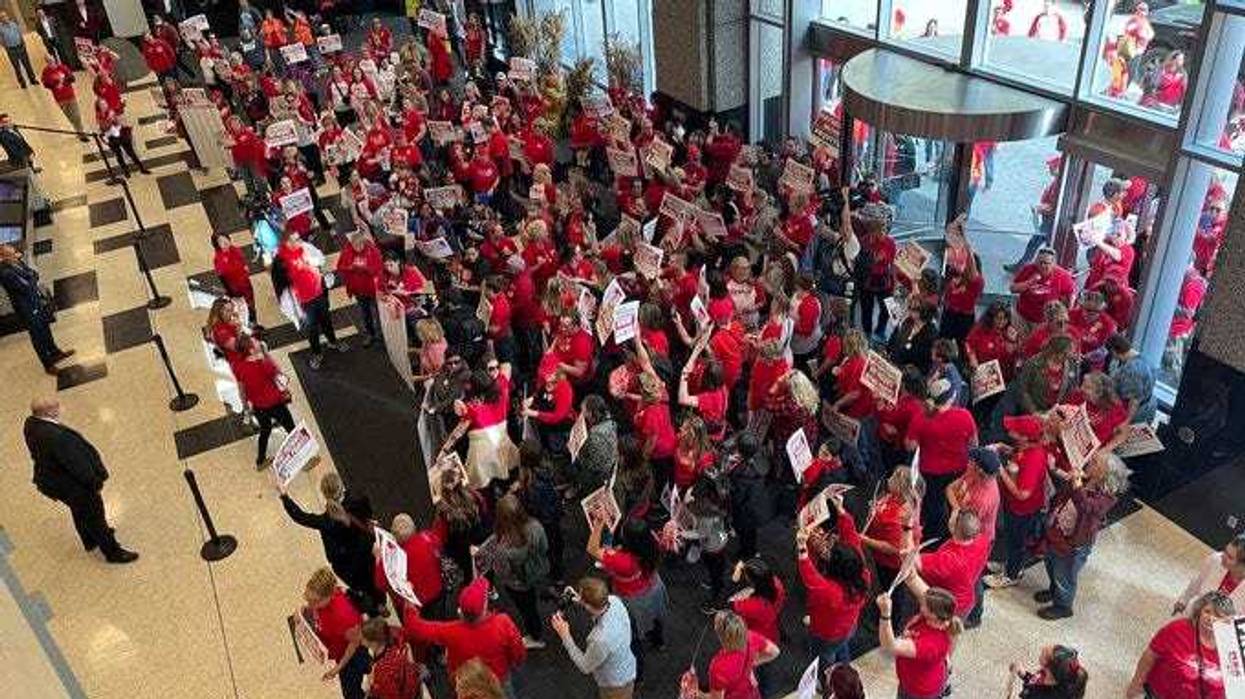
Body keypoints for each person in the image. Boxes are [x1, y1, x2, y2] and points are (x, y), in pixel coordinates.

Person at [22, 397, 137, 563]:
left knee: (78, 509)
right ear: (48, 412)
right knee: (95, 515)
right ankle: (113, 552)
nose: (60, 408)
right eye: (56, 406)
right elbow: (77, 465)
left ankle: (89, 540)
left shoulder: (31, 424)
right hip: (73, 485)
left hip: (54, 481)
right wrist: (95, 482)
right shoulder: (57, 437)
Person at [1036, 451, 1130, 620]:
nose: (1089, 463)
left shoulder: (1106, 498)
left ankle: (1063, 606)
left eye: (1094, 463)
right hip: (1058, 532)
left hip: (1074, 544)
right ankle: (1054, 591)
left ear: (1104, 473)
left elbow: (1086, 507)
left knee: (1064, 575)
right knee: (1051, 563)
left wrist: (1077, 485)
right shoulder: (1086, 480)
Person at [403, 577, 528, 693]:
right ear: (484, 607)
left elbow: (415, 628)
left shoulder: (451, 631)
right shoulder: (502, 623)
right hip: (497, 678)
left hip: (466, 683)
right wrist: (514, 663)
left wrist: (408, 600)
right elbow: (518, 651)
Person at [281, 473, 382, 614]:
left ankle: (374, 610)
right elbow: (368, 515)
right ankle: (381, 601)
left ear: (324, 494)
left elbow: (301, 517)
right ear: (341, 486)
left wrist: (285, 496)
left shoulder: (326, 521)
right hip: (366, 552)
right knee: (374, 579)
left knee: (362, 588)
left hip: (346, 566)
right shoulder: (359, 499)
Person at [797, 491, 871, 669]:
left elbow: (810, 578)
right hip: (848, 625)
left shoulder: (830, 593)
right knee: (842, 646)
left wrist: (802, 547)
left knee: (826, 657)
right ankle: (844, 665)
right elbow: (852, 537)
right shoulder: (863, 574)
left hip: (826, 633)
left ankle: (829, 678)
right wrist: (841, 510)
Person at [1125, 591, 1234, 698]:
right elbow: (1150, 655)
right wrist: (1136, 685)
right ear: (1199, 611)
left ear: (1227, 622)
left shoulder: (1231, 648)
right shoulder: (1177, 629)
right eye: (1207, 611)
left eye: (1218, 616)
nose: (1210, 618)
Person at [987, 415, 1051, 589]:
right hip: (1013, 505)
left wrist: (1000, 470)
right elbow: (1017, 454)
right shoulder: (1026, 446)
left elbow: (1023, 494)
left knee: (1016, 542)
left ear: (1024, 437)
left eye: (1015, 430)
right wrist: (1004, 448)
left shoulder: (1034, 459)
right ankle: (1009, 564)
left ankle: (1012, 574)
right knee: (1011, 537)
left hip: (1022, 509)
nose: (1010, 431)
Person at [587, 517, 669, 651]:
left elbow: (592, 549)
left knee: (634, 626)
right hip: (654, 587)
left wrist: (598, 524)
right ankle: (659, 642)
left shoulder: (623, 561)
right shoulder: (652, 542)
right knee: (656, 618)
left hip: (634, 599)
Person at [550, 577, 637, 699]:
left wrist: (565, 636)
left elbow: (585, 666)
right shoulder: (614, 601)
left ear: (588, 606)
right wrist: (578, 599)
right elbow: (595, 606)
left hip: (615, 684)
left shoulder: (600, 639)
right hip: (627, 667)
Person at [876, 587, 961, 699]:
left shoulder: (930, 644)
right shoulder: (940, 621)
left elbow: (889, 645)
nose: (920, 602)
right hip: (926, 676)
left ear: (933, 614)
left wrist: (885, 614)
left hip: (918, 689)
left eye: (924, 604)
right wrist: (910, 574)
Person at [0, 244, 73, 373]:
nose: (16, 253)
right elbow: (26, 287)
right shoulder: (6, 273)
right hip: (27, 308)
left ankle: (55, 352)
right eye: (11, 253)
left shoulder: (17, 261)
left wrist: (30, 277)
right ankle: (47, 364)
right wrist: (31, 278)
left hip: (35, 301)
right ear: (4, 257)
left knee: (45, 327)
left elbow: (34, 274)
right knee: (37, 335)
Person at [490, 494, 550, 649]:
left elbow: (502, 573)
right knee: (531, 606)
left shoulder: (503, 548)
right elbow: (545, 547)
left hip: (518, 584)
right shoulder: (536, 526)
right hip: (537, 570)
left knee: (527, 610)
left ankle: (535, 637)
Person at [302, 567, 371, 699]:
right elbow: (314, 608)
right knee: (366, 664)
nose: (310, 605)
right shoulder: (322, 602)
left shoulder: (344, 617)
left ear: (329, 596)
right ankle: (370, 666)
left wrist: (338, 668)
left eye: (314, 601)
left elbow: (354, 644)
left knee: (351, 691)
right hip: (340, 645)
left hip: (351, 656)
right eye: (307, 599)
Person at [679, 610, 780, 699]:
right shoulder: (750, 637)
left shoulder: (718, 666)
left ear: (721, 636)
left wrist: (696, 693)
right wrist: (749, 666)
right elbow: (774, 652)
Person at [233, 336, 295, 469]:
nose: (257, 342)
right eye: (254, 342)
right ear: (251, 350)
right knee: (291, 429)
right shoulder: (263, 363)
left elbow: (241, 390)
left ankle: (260, 460)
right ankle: (301, 457)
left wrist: (246, 408)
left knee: (265, 430)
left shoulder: (237, 366)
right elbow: (279, 374)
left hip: (258, 407)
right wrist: (266, 353)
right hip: (276, 404)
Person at [1173, 533, 1245, 617]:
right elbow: (1197, 581)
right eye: (1225, 551)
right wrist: (1183, 601)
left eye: (1230, 557)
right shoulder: (1215, 560)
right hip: (1194, 615)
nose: (1223, 556)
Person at [359, 618, 426, 699]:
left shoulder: (383, 670)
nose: (360, 640)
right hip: (412, 686)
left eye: (363, 638)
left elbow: (390, 695)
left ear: (373, 642)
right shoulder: (394, 636)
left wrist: (372, 686)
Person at [1009, 248, 1075, 330]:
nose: (1042, 266)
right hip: (1022, 317)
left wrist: (1066, 314)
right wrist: (1030, 282)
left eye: (1046, 263)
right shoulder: (1028, 269)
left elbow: (1071, 295)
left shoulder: (1063, 276)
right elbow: (1013, 289)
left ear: (1053, 264)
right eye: (1040, 262)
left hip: (1045, 322)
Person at [1106, 334, 1156, 424]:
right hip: (1145, 408)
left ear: (1113, 351)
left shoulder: (1131, 370)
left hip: (1133, 414)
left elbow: (1134, 400)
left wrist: (1126, 421)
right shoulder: (1145, 360)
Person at [1009, 645, 1089, 699]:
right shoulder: (1049, 679)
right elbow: (1035, 680)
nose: (1040, 669)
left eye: (1043, 667)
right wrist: (1024, 674)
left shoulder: (1041, 695)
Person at [40, 54, 86, 139]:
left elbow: (72, 78)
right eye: (48, 60)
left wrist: (63, 81)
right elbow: (46, 84)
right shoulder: (45, 71)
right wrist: (55, 85)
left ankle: (82, 133)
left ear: (54, 59)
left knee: (76, 115)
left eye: (52, 60)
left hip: (70, 96)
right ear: (46, 62)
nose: (51, 62)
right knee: (69, 116)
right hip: (60, 99)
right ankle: (78, 130)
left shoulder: (63, 67)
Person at [0, 11, 36, 89]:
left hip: (21, 47)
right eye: (2, 17)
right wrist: (7, 47)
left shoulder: (14, 24)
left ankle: (32, 79)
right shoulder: (0, 28)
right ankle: (22, 83)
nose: (4, 18)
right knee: (16, 67)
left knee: (27, 64)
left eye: (5, 16)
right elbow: (1, 40)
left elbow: (20, 34)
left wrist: (23, 43)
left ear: (8, 16)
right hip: (11, 50)